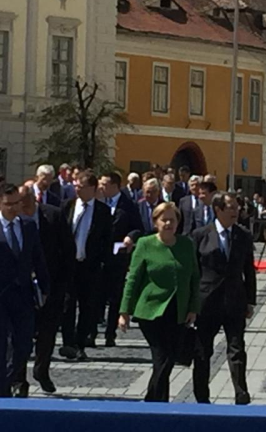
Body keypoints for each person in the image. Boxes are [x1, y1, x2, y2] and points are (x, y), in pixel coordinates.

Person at [0, 183, 50, 398]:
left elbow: (38, 258)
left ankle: (13, 378)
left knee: (23, 346)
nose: (14, 208)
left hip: (23, 297)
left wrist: (45, 287)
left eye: (17, 203)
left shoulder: (28, 226)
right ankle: (0, 395)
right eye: (9, 204)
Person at [119, 202, 200, 402]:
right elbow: (133, 280)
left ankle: (156, 402)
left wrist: (193, 308)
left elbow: (194, 279)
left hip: (178, 310)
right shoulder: (145, 244)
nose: (169, 223)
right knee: (162, 355)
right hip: (151, 311)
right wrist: (124, 312)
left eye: (173, 219)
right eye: (164, 219)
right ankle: (154, 401)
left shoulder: (186, 244)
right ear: (155, 222)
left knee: (168, 358)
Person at [191, 192, 256, 405]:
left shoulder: (243, 235)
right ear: (218, 210)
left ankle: (241, 392)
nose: (235, 211)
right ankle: (202, 396)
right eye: (230, 207)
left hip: (235, 300)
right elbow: (194, 271)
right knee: (203, 351)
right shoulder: (201, 235)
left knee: (237, 348)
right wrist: (191, 303)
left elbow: (249, 270)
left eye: (237, 207)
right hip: (207, 301)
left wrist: (250, 300)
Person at [16, 185, 69, 393]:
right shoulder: (14, 220)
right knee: (20, 335)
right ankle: (19, 380)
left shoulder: (53, 216)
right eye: (19, 203)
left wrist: (63, 285)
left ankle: (41, 370)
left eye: (26, 202)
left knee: (47, 333)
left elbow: (67, 250)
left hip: (50, 286)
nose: (23, 207)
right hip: (21, 289)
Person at [60, 170, 113, 361]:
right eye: (76, 186)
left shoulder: (103, 211)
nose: (77, 190)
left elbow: (107, 241)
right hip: (69, 266)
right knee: (67, 306)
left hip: (89, 267)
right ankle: (67, 343)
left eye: (81, 187)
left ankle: (80, 343)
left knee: (86, 308)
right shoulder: (67, 206)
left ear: (92, 188)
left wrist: (102, 265)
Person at [97, 172, 144, 347]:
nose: (101, 188)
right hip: (99, 256)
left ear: (115, 186)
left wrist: (130, 237)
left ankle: (110, 334)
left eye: (104, 184)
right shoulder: (98, 202)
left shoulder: (128, 205)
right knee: (96, 296)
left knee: (115, 297)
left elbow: (138, 228)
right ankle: (91, 332)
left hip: (118, 257)